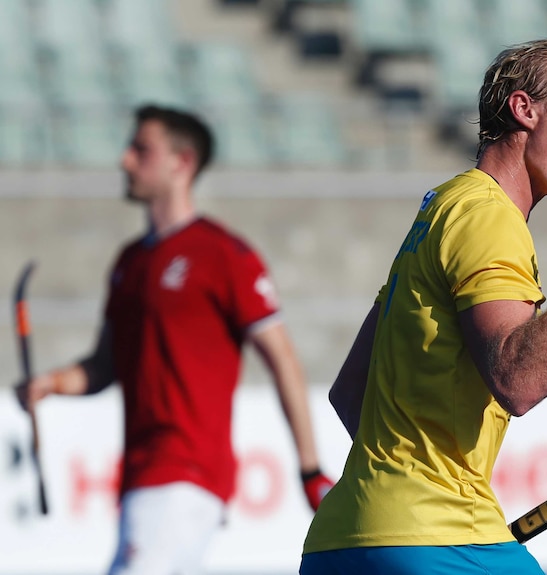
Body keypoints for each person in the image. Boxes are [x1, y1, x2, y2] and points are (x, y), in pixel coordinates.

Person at [299, 39, 547, 575]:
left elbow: (349, 391)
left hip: (345, 540)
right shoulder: (490, 216)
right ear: (525, 109)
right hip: (432, 541)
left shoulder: (444, 207)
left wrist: (416, 486)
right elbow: (519, 378)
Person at [16, 105, 334, 575]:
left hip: (187, 470)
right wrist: (52, 382)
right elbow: (104, 366)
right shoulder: (128, 263)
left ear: (181, 163)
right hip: (139, 475)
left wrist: (309, 468)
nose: (125, 160)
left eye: (141, 149)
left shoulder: (223, 253)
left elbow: (282, 358)